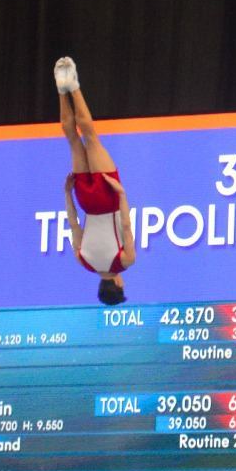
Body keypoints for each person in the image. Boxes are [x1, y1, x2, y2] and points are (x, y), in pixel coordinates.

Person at [55, 57, 136, 305]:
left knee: (90, 137)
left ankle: (75, 86)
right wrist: (68, 194)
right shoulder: (84, 262)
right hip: (86, 202)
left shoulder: (126, 262)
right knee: (72, 139)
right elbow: (73, 224)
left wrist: (121, 195)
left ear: (118, 284)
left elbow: (125, 226)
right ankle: (62, 88)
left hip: (109, 199)